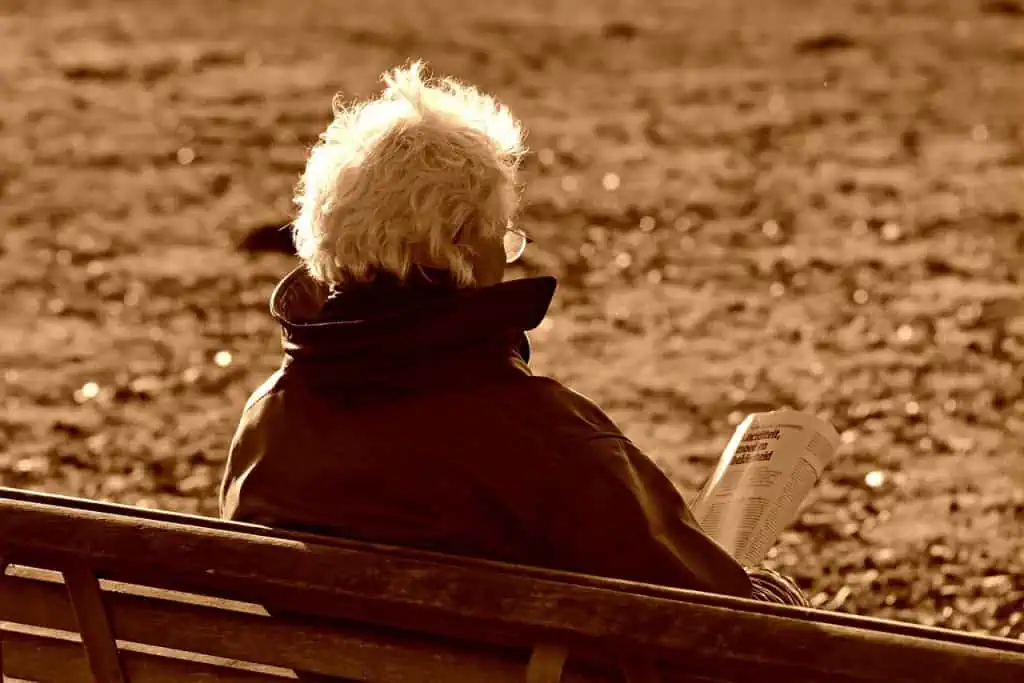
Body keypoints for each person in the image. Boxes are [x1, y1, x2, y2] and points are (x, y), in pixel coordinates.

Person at [219, 61, 807, 607]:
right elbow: (710, 625)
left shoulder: (270, 422)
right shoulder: (545, 439)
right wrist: (769, 598)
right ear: (462, 248)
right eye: (501, 236)